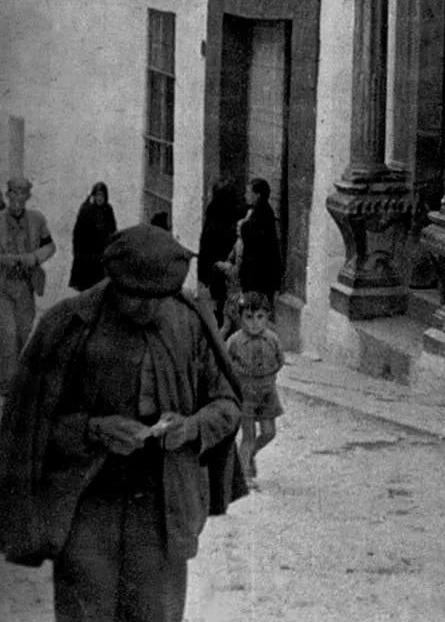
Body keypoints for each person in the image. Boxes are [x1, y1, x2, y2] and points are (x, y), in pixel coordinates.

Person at [0, 223, 246, 622]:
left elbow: (227, 405)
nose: (149, 308)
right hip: (86, 504)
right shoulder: (68, 327)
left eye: (159, 297)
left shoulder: (188, 323)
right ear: (114, 281)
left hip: (161, 511)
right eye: (137, 298)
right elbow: (30, 429)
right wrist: (94, 429)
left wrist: (191, 427)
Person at [0, 176, 55, 394]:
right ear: (7, 194)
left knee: (23, 331)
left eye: (22, 193)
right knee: (8, 333)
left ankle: (9, 374)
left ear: (28, 196)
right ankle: (8, 385)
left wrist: (35, 257)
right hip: (3, 286)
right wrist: (7, 259)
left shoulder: (37, 220)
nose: (17, 198)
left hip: (26, 285)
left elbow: (50, 246)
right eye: (13, 193)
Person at [226, 290, 284, 486]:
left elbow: (279, 360)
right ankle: (244, 476)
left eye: (260, 317)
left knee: (269, 432)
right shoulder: (235, 341)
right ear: (241, 318)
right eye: (248, 317)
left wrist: (269, 377)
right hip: (245, 394)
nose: (254, 323)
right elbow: (225, 363)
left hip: (267, 392)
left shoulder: (272, 339)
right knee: (248, 436)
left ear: (268, 316)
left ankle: (250, 456)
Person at [198, 179, 241, 326]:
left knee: (219, 295)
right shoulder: (234, 212)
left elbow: (205, 242)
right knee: (223, 295)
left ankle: (222, 321)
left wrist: (202, 269)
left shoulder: (213, 212)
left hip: (217, 261)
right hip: (225, 261)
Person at [238, 178, 283, 313]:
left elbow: (252, 239)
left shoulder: (261, 213)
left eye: (248, 192)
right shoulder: (260, 210)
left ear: (257, 195)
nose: (246, 196)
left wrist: (243, 224)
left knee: (255, 309)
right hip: (258, 271)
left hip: (259, 272)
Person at [68, 182, 117, 291]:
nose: (100, 198)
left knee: (100, 289)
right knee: (86, 289)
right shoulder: (86, 210)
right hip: (87, 257)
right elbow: (77, 234)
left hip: (101, 256)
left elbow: (113, 231)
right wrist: (77, 253)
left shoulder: (108, 210)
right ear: (94, 195)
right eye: (98, 195)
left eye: (102, 195)